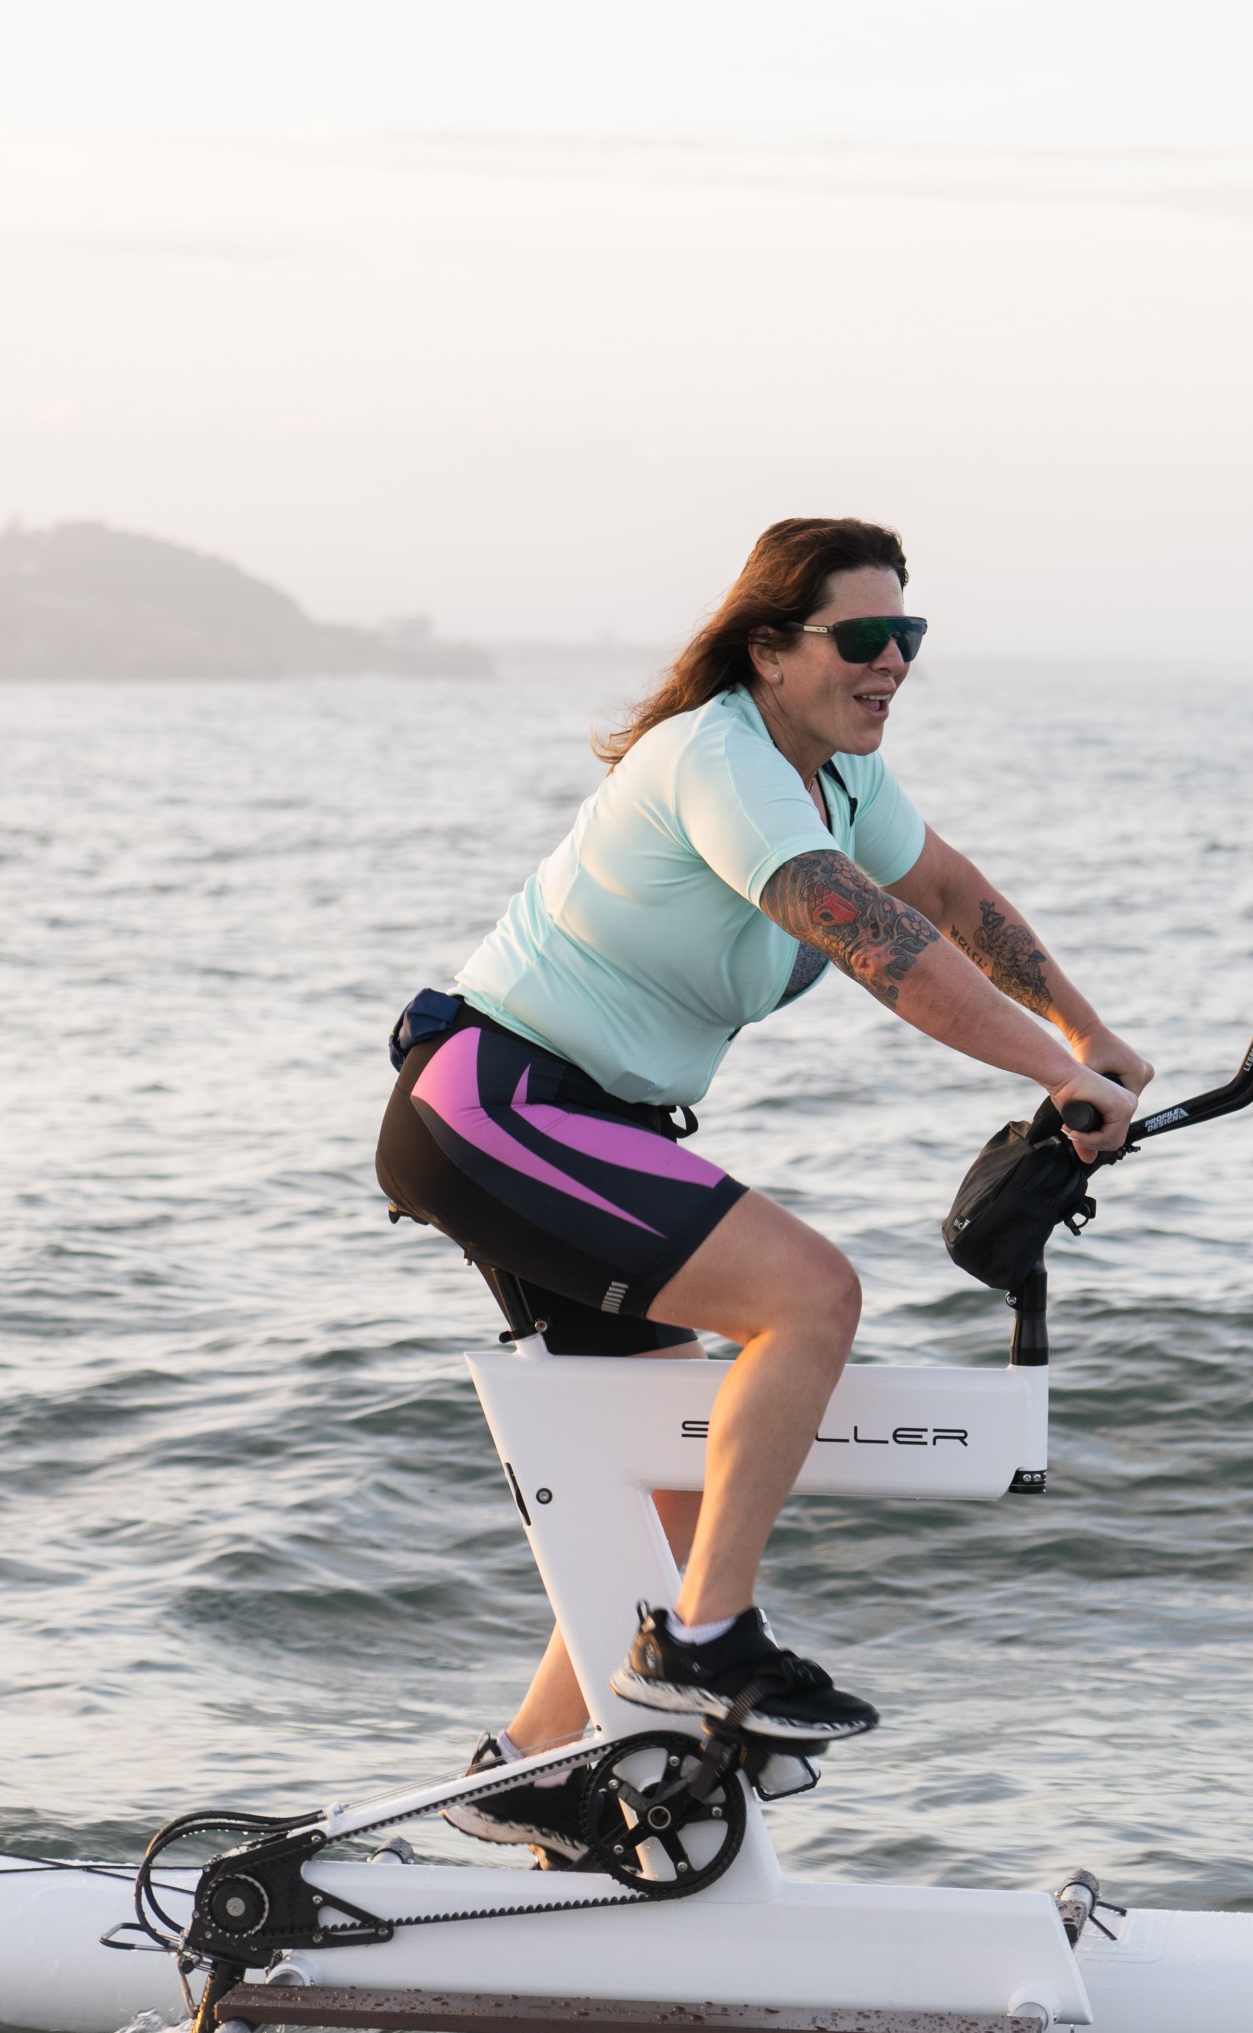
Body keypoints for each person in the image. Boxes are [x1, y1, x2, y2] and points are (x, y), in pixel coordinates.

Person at [375, 517, 1153, 1852]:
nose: (892, 662)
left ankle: (529, 1772)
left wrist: (1087, 1038)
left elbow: (950, 896)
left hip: (591, 1121)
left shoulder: (842, 784)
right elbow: (882, 944)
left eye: (908, 638)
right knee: (808, 1299)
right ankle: (704, 1648)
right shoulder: (721, 760)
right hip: (497, 1107)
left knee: (677, 1478)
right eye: (862, 638)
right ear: (771, 650)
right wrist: (1047, 1072)